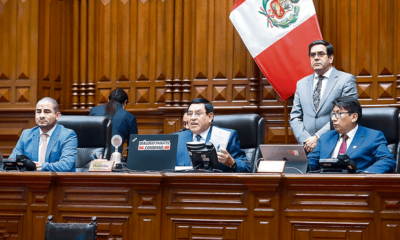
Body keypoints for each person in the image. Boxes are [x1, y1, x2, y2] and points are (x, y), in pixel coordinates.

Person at [290, 40, 358, 153]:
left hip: (335, 143)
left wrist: (317, 137)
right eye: (312, 55)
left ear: (331, 58)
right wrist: (306, 140)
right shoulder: (301, 83)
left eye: (321, 54)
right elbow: (295, 117)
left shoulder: (346, 80)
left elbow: (345, 114)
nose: (316, 58)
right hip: (307, 146)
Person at [308, 96, 396, 174]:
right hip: (325, 184)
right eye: (333, 114)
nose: (333, 119)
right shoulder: (325, 137)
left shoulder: (373, 136)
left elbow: (387, 160)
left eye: (338, 114)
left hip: (356, 186)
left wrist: (365, 174)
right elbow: (310, 162)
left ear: (353, 117)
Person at [175, 98, 251, 172]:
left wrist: (232, 163)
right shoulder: (177, 138)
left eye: (198, 113)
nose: (193, 118)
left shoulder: (227, 136)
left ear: (210, 117)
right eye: (190, 114)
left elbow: (247, 167)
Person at [9, 97, 78, 172]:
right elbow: (12, 161)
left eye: (47, 112)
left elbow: (66, 165)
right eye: (38, 112)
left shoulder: (67, 135)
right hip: (30, 181)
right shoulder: (26, 134)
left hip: (57, 181)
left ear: (57, 116)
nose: (41, 116)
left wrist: (41, 166)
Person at [89, 88, 138, 153]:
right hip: (115, 160)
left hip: (92, 160)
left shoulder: (94, 111)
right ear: (125, 102)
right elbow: (133, 147)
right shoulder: (129, 117)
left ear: (108, 100)